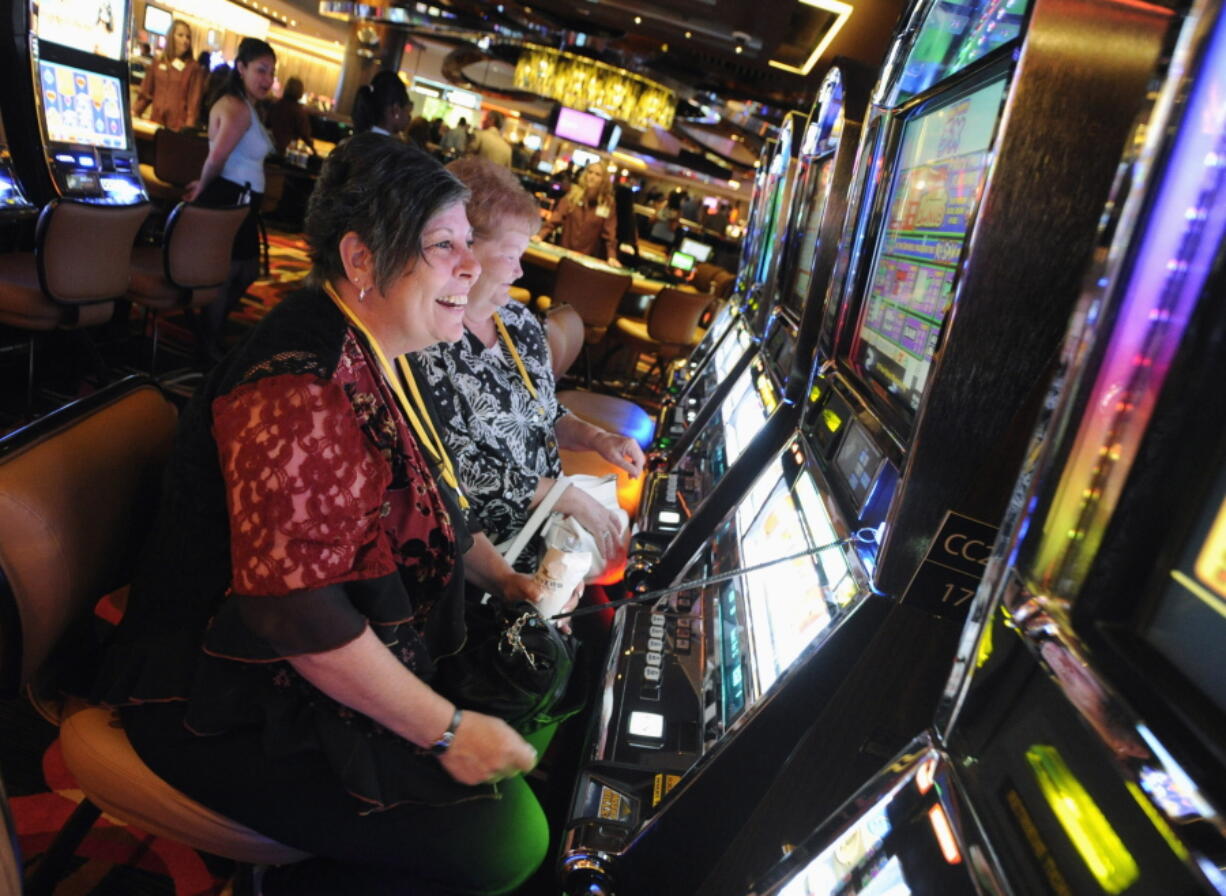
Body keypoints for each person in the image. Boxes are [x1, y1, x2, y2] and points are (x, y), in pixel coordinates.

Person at [95, 134, 550, 895]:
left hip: (300, 668)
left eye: (471, 244)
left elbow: (436, 504)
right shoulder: (300, 380)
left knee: (535, 693)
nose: (470, 268)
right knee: (506, 842)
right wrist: (444, 729)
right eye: (444, 246)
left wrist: (504, 583)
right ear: (362, 259)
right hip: (221, 694)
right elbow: (292, 611)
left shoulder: (387, 350)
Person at [417, 157, 645, 568]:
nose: (520, 270)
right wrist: (567, 498)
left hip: (544, 529)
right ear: (462, 245)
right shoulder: (427, 338)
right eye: (509, 256)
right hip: (480, 554)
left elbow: (542, 414)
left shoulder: (518, 322)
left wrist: (597, 439)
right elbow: (457, 472)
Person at [186, 37, 277, 358]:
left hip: (242, 197)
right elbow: (218, 156)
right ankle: (207, 339)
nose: (267, 79)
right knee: (233, 271)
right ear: (241, 68)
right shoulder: (238, 108)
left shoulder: (246, 105)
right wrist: (202, 185)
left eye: (271, 73)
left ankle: (208, 328)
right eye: (261, 70)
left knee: (244, 270)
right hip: (233, 196)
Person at [541, 160, 622, 266]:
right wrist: (540, 235)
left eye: (598, 174)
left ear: (604, 180)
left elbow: (609, 235)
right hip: (564, 254)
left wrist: (611, 256)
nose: (592, 176)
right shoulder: (573, 195)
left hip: (587, 260)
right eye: (590, 172)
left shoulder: (607, 203)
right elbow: (556, 218)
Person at [132, 19, 203, 131]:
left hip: (178, 129)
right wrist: (134, 112)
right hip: (155, 125)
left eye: (188, 37)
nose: (185, 40)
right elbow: (146, 94)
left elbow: (193, 106)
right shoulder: (158, 62)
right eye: (180, 35)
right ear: (171, 37)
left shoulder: (193, 68)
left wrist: (188, 130)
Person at [351, 70, 410, 136]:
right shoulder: (390, 145)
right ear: (396, 110)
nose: (409, 116)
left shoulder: (355, 140)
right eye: (408, 110)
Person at [267, 75, 315, 155]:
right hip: (284, 151)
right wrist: (314, 151)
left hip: (269, 147)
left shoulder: (275, 105)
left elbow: (266, 124)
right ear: (300, 92)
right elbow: (305, 135)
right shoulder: (299, 111)